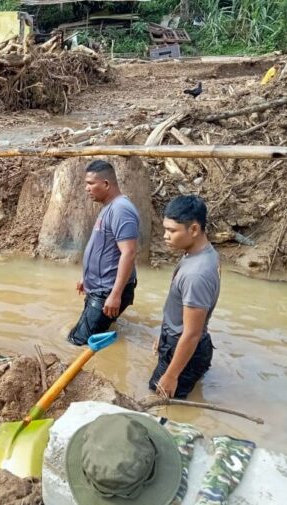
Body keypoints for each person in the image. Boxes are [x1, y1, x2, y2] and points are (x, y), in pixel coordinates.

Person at [149, 195, 220, 398]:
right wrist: (164, 335)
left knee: (159, 403)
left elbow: (191, 334)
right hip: (183, 344)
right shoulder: (203, 253)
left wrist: (171, 375)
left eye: (172, 230)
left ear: (194, 229)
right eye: (165, 229)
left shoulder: (196, 274)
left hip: (186, 349)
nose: (165, 236)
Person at [68, 160, 139, 346]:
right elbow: (104, 247)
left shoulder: (121, 210)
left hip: (107, 290)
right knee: (92, 336)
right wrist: (86, 277)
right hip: (100, 287)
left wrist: (115, 295)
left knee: (78, 342)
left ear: (106, 184)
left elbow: (129, 253)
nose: (87, 188)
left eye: (91, 183)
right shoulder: (109, 207)